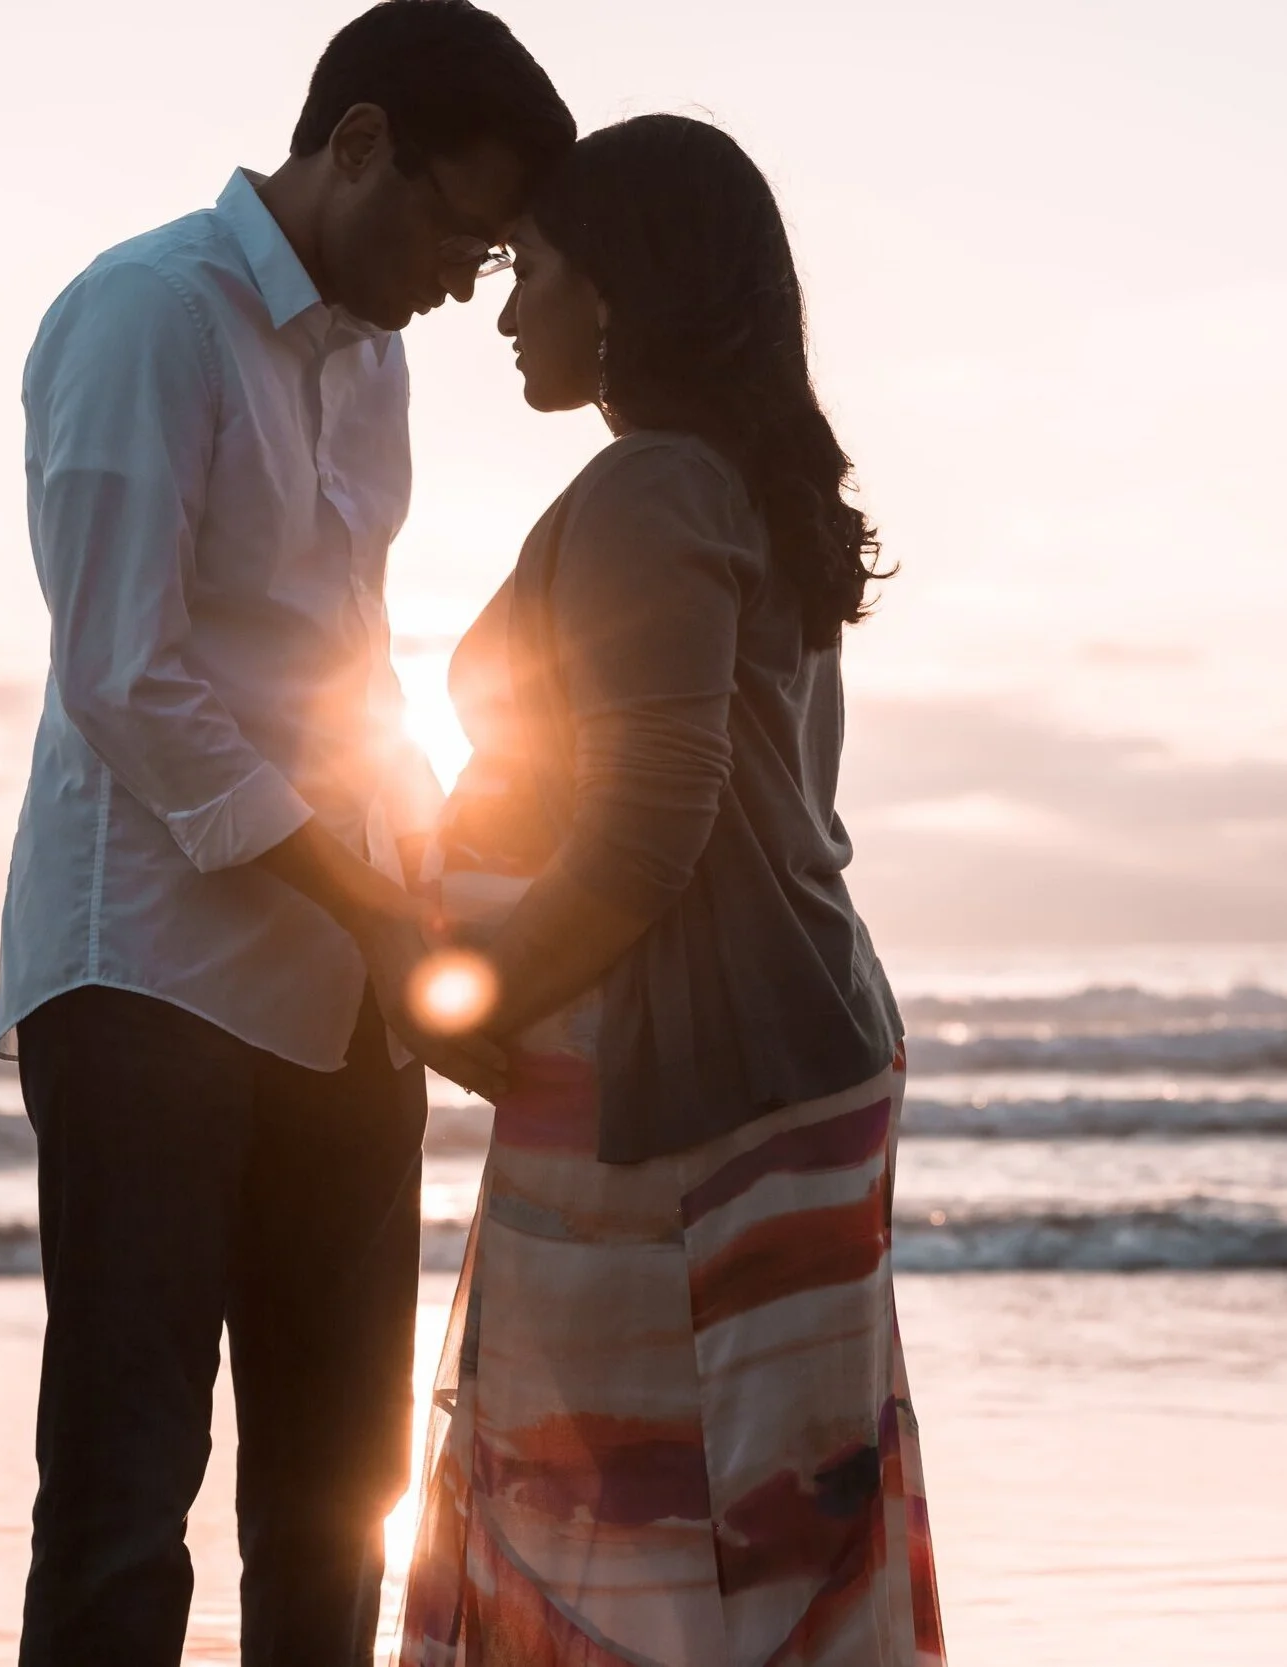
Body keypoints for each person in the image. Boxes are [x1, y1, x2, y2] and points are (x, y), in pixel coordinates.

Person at [0, 6, 574, 1662]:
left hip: (340, 988)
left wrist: (427, 897)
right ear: (360, 143)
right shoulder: (146, 314)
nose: (463, 278)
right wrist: (367, 908)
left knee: (337, 1497)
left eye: (491, 249)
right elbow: (126, 677)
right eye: (456, 227)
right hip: (146, 973)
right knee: (124, 1492)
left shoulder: (373, 356)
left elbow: (345, 671)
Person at [399, 115, 946, 1665]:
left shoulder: (651, 490)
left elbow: (649, 824)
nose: (507, 313)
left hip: (677, 1086)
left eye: (532, 271)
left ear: (617, 290)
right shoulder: (743, 488)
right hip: (774, 1057)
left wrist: (457, 997)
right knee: (770, 1529)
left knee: (618, 1519)